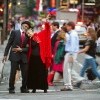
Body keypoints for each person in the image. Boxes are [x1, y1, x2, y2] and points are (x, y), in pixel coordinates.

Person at [2, 21, 31, 94]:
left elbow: (28, 48)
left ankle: (24, 88)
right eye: (25, 26)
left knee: (25, 73)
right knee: (13, 72)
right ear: (21, 26)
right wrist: (5, 55)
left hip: (23, 56)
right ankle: (11, 88)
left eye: (27, 27)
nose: (26, 28)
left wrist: (21, 49)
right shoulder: (15, 32)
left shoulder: (28, 35)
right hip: (14, 55)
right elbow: (9, 44)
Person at [26, 19, 52, 93]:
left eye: (42, 26)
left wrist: (46, 21)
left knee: (42, 73)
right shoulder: (32, 36)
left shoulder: (43, 34)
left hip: (41, 58)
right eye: (41, 26)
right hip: (33, 58)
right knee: (33, 73)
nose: (41, 27)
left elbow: (47, 28)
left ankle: (44, 88)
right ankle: (33, 88)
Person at [61, 22, 84, 91]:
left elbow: (73, 45)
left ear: (70, 26)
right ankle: (68, 85)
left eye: (67, 26)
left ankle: (68, 85)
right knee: (67, 69)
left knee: (67, 69)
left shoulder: (73, 34)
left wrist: (71, 54)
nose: (66, 27)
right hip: (70, 53)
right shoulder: (71, 34)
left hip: (70, 53)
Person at [48, 21, 60, 86]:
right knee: (52, 66)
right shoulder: (55, 33)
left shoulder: (58, 33)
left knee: (53, 66)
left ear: (56, 26)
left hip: (54, 51)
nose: (51, 27)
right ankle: (50, 80)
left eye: (52, 26)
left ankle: (50, 80)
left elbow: (55, 44)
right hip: (52, 51)